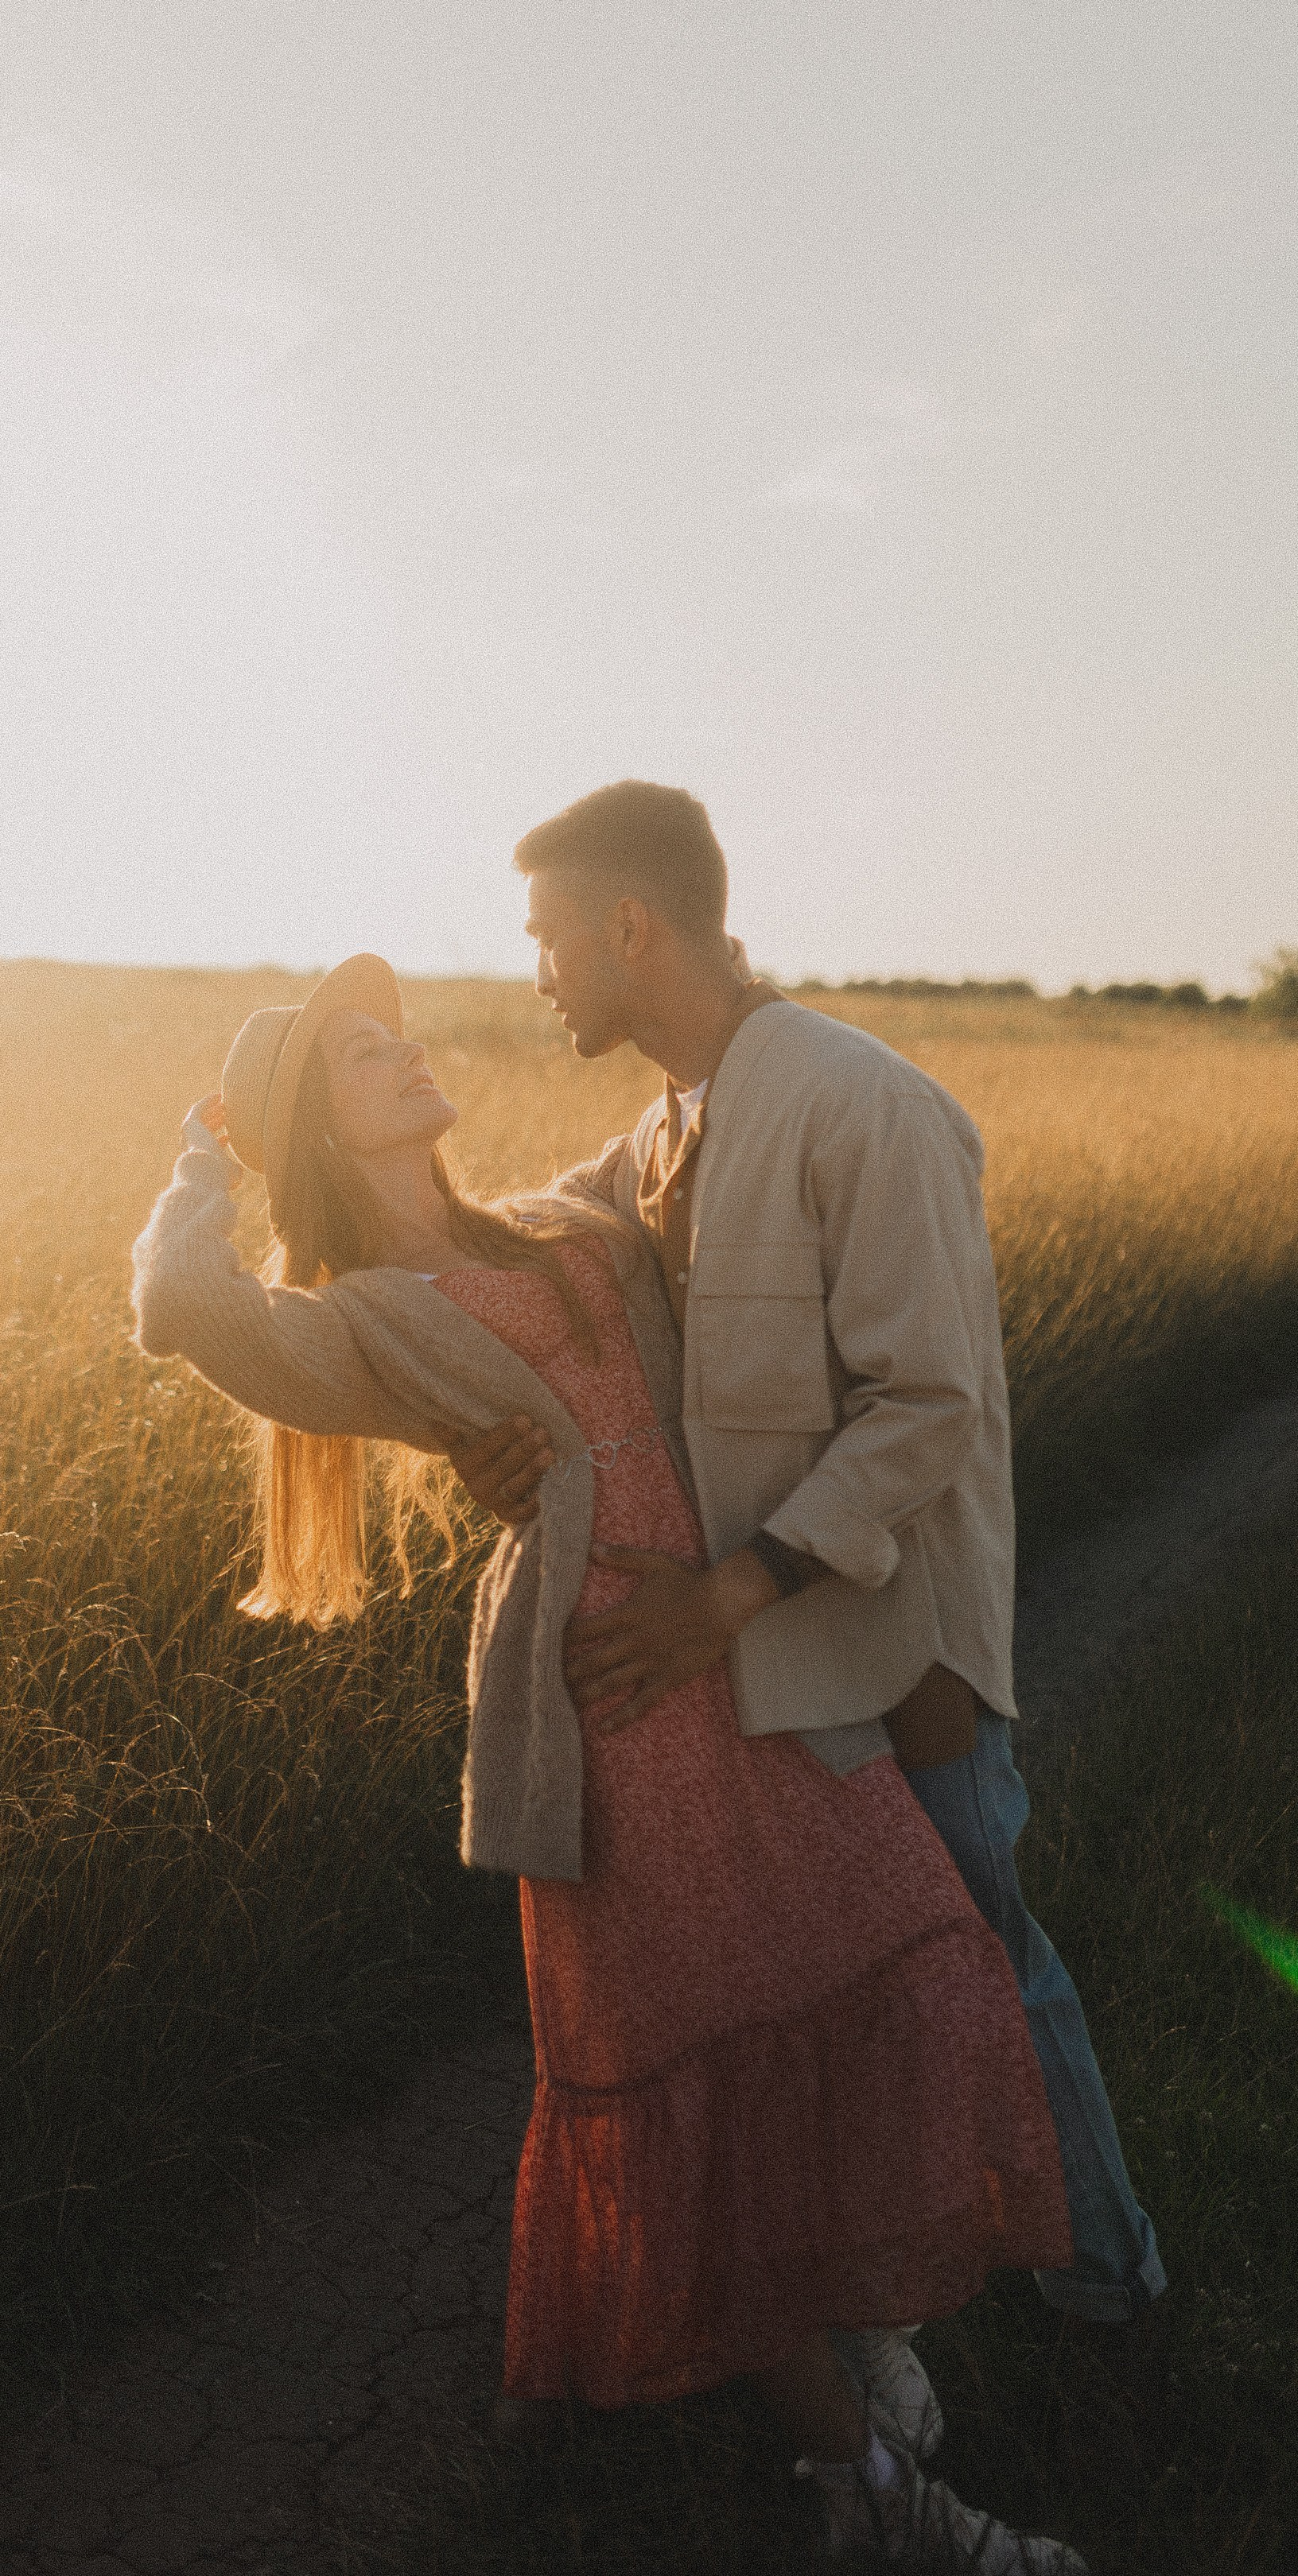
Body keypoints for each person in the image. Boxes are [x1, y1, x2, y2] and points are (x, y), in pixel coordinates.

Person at [132, 950, 1088, 2571]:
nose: (407, 1054)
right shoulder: (368, 1320)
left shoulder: (562, 1218)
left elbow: (690, 1131)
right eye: (364, 1055)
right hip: (612, 1703)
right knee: (696, 2072)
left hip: (746, 1651)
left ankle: (858, 2321)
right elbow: (180, 1306)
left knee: (912, 1950)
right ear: (314, 1121)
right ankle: (882, 2503)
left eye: (396, 1032)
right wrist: (206, 1137)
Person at [449, 780, 1168, 2453]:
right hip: (758, 1666)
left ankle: (1110, 2299)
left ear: (636, 926)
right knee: (848, 2017)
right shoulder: (656, 1140)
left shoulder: (869, 1107)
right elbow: (533, 1287)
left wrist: (726, 1597)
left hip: (888, 1646)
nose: (539, 973)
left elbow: (927, 1411)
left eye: (551, 937)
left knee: (988, 1960)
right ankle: (886, 2327)